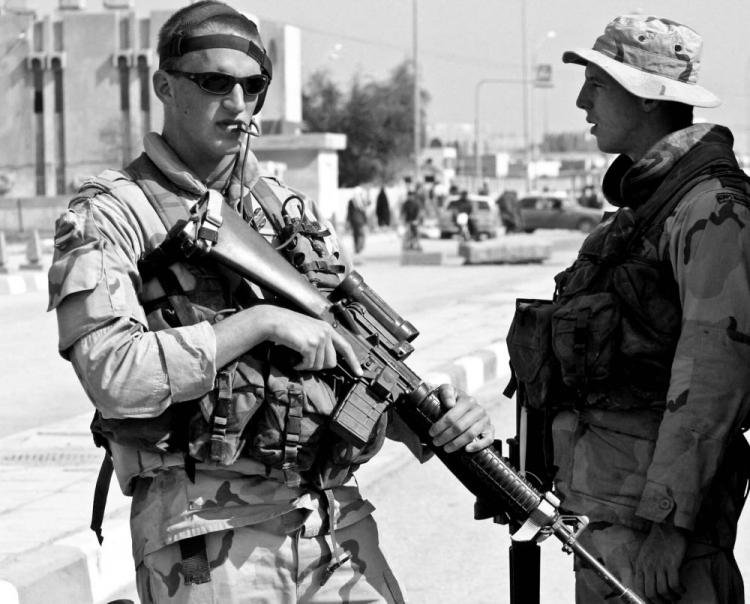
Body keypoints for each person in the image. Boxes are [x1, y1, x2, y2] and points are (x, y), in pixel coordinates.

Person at [46, 2, 495, 602]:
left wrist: (433, 420)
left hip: (334, 521)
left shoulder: (284, 211)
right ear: (164, 86)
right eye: (214, 82)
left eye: (253, 86)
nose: (237, 102)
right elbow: (115, 376)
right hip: (208, 533)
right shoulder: (110, 213)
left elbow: (352, 358)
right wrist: (260, 323)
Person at [511, 15, 750, 603]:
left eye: (598, 82)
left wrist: (671, 525)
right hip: (609, 526)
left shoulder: (710, 210)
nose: (581, 99)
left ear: (646, 98)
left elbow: (714, 378)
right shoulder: (643, 210)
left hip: (661, 548)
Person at [346, 186, 368, 259]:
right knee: (361, 235)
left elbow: (349, 212)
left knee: (356, 235)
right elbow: (364, 212)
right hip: (360, 221)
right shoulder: (361, 201)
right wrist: (365, 220)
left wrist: (348, 220)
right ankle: (359, 248)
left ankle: (357, 248)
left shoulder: (352, 201)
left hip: (354, 221)